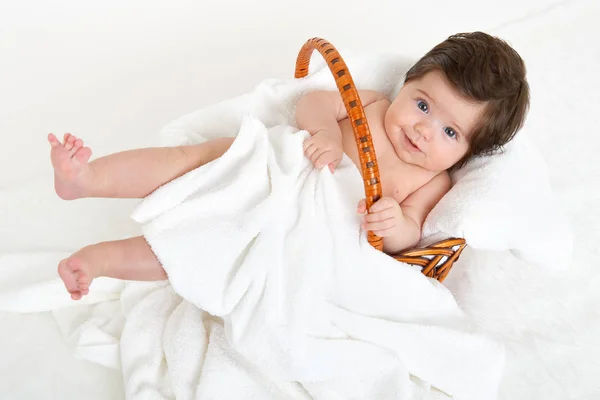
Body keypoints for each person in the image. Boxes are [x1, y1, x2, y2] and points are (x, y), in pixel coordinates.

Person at [48, 31, 529, 300]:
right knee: (190, 158)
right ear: (407, 83)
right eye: (423, 105)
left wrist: (394, 221)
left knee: (203, 249)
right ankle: (86, 178)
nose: (425, 129)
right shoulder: (377, 105)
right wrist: (322, 130)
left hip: (300, 222)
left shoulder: (433, 179)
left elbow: (412, 234)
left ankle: (100, 260)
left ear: (467, 152)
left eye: (450, 132)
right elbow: (317, 101)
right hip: (273, 163)